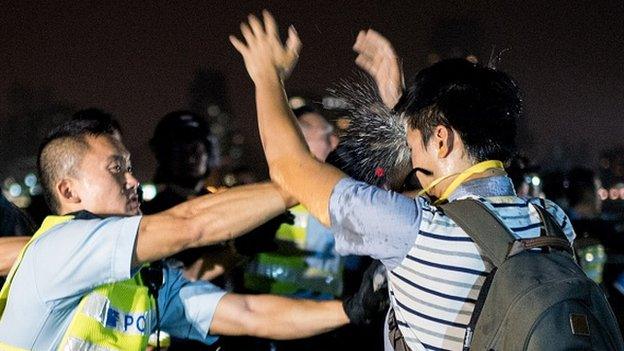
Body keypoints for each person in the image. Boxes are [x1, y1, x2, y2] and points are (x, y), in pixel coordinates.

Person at [230, 11, 575, 350]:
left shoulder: (415, 231)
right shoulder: (552, 221)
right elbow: (457, 192)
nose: (409, 154)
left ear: (441, 140)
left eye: (411, 142)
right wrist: (404, 107)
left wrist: (267, 76)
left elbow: (290, 167)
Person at [0, 118, 363, 350]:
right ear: (69, 192)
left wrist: (350, 310)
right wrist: (308, 181)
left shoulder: (144, 283)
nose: (132, 180)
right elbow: (189, 225)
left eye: (130, 168)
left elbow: (249, 313)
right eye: (116, 169)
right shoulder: (60, 248)